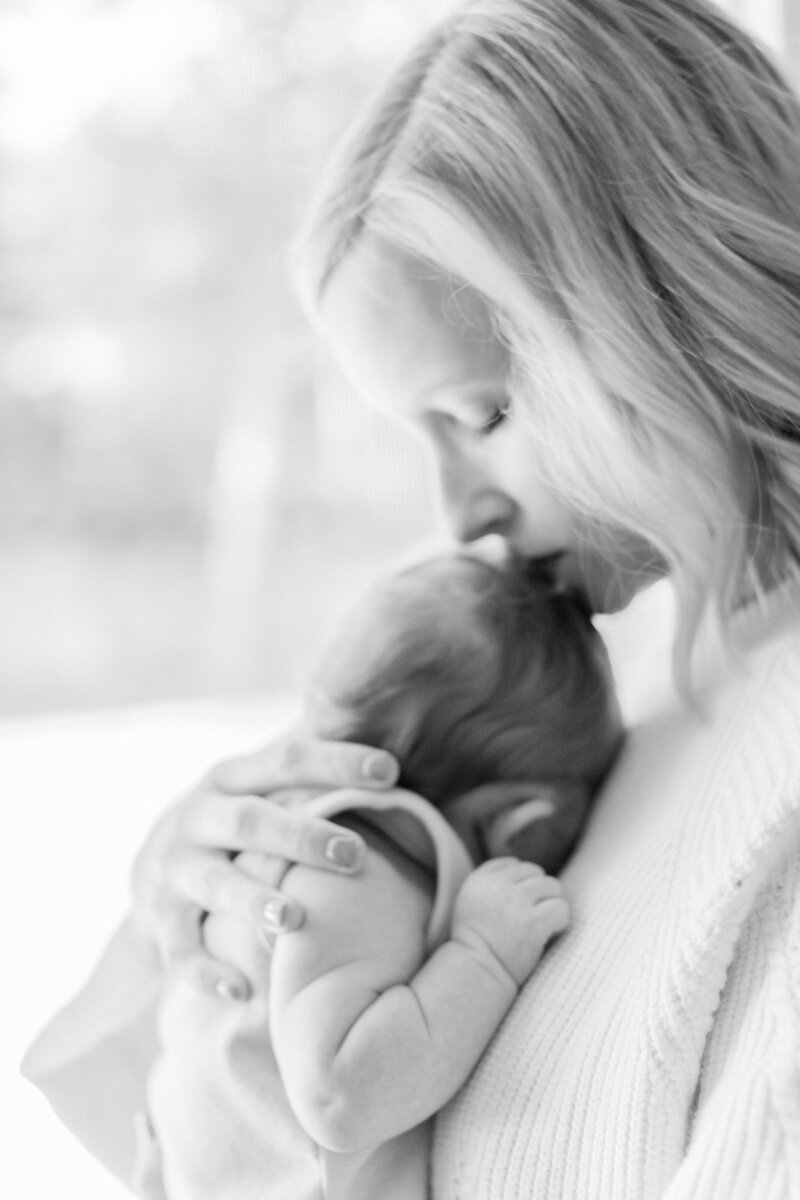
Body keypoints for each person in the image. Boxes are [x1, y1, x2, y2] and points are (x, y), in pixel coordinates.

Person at [22, 0, 800, 1196]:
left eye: (482, 414)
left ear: (665, 307)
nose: (458, 516)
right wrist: (186, 896)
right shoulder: (629, 669)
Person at [144, 548, 621, 1199]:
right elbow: (340, 1097)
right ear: (523, 823)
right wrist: (483, 956)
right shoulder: (349, 867)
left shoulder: (302, 828)